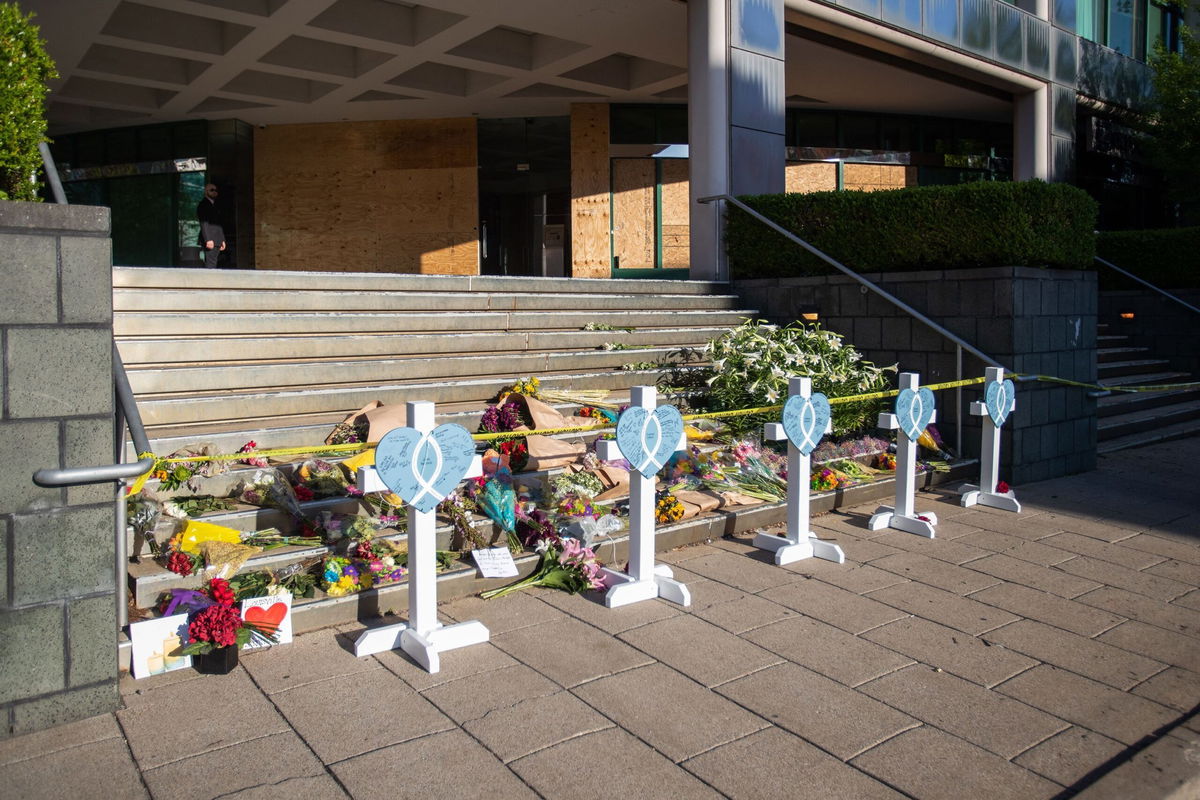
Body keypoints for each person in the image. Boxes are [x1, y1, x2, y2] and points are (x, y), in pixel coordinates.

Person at [197, 182, 226, 268]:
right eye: (212, 190)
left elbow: (218, 224)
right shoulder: (203, 205)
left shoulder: (215, 205)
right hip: (210, 240)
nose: (214, 192)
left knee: (214, 262)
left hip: (217, 239)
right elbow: (204, 223)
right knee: (211, 263)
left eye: (216, 190)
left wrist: (222, 239)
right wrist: (208, 239)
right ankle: (209, 280)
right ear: (206, 192)